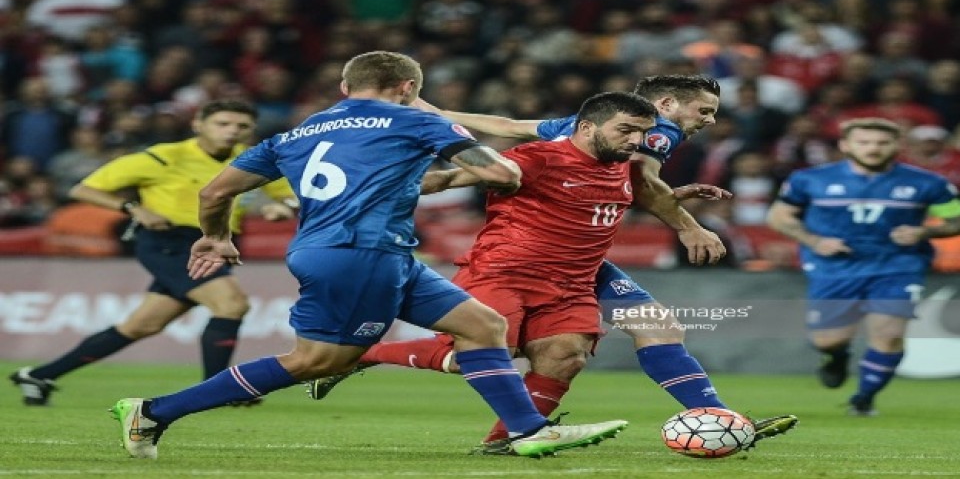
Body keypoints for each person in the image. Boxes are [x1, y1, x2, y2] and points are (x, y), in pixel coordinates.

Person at [108, 50, 628, 460]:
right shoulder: (415, 121)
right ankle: (154, 411)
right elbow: (504, 174)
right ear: (409, 89)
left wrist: (218, 238)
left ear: (344, 88)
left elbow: (214, 194)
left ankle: (527, 431)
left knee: (483, 326)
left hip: (360, 252)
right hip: (359, 251)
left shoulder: (294, 134)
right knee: (315, 361)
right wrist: (461, 141)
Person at [311, 78, 798, 453]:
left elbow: (511, 127)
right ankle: (361, 354)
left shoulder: (591, 130)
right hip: (518, 262)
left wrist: (433, 112)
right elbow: (642, 183)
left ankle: (715, 417)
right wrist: (686, 222)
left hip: (580, 262)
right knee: (476, 356)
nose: (710, 121)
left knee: (609, 341)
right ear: (665, 105)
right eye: (704, 110)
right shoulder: (658, 132)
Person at [9, 100, 297, 407]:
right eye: (222, 124)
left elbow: (292, 196)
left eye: (241, 126)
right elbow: (84, 189)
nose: (231, 131)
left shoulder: (251, 160)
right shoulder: (163, 157)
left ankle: (40, 375)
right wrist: (134, 208)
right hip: (168, 241)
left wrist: (284, 207)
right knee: (232, 304)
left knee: (141, 325)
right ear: (198, 124)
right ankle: (220, 390)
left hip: (214, 243)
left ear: (252, 129)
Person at [766, 117, 960, 416]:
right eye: (864, 142)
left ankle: (863, 399)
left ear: (897, 146)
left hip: (898, 265)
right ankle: (835, 356)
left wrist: (925, 232)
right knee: (828, 339)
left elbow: (959, 222)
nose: (873, 149)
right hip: (834, 266)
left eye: (882, 143)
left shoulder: (928, 183)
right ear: (845, 145)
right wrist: (815, 241)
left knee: (888, 334)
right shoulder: (809, 179)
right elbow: (779, 217)